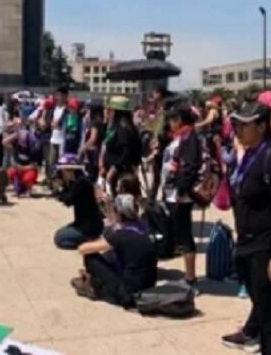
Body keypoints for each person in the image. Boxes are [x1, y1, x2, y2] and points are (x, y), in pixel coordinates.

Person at [220, 101, 271, 354]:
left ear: (262, 127)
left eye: (244, 125)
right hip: (248, 244)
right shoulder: (251, 154)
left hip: (266, 247)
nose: (237, 130)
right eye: (236, 125)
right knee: (263, 311)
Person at [71, 193, 157, 307]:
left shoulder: (120, 234)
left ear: (119, 214)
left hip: (127, 294)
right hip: (148, 286)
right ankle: (90, 280)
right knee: (111, 253)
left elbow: (83, 249)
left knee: (91, 257)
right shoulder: (143, 228)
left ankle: (93, 285)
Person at [162, 105, 201, 285]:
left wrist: (181, 190)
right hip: (173, 192)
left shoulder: (189, 137)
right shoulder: (181, 136)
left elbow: (191, 166)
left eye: (172, 119)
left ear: (179, 119)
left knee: (185, 235)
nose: (169, 123)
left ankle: (190, 279)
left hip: (180, 194)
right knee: (180, 233)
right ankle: (189, 277)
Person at [53, 153, 104, 249]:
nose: (61, 174)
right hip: (82, 223)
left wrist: (60, 189)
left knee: (60, 239)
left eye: (63, 171)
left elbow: (68, 201)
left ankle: (91, 241)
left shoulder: (81, 183)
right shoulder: (78, 182)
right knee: (60, 233)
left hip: (89, 227)